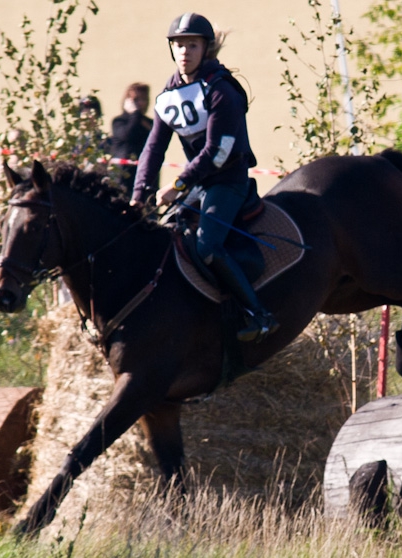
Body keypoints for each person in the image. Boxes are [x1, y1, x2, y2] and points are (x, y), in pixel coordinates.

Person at [131, 12, 277, 343]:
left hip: (228, 181)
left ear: (205, 49)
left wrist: (178, 185)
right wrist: (138, 196)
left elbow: (218, 153)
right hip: (199, 184)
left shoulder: (222, 89)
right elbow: (152, 150)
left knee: (207, 245)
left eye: (192, 45)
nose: (184, 51)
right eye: (179, 45)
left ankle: (259, 314)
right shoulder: (169, 95)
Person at [109, 83, 155, 197]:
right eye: (136, 99)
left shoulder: (149, 123)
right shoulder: (119, 122)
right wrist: (135, 114)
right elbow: (128, 134)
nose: (140, 103)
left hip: (145, 177)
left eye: (143, 99)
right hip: (122, 179)